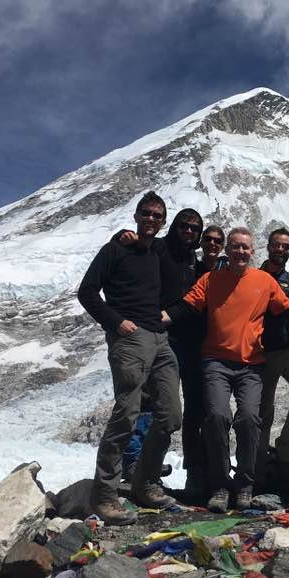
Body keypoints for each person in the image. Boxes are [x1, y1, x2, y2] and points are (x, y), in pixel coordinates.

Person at [164, 227, 289, 512]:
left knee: (248, 418)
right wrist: (162, 316)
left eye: (245, 247)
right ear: (228, 250)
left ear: (252, 251)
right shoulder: (212, 279)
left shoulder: (265, 281)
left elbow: (286, 311)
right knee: (217, 417)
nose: (240, 252)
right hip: (216, 362)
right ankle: (220, 484)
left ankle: (245, 483)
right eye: (235, 247)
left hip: (251, 365)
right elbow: (187, 306)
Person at [77, 191, 181, 525]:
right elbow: (87, 291)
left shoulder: (156, 251)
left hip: (160, 338)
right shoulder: (116, 249)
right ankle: (104, 495)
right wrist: (115, 321)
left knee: (169, 414)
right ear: (136, 216)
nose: (151, 219)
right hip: (130, 337)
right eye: (146, 213)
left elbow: (183, 250)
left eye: (157, 215)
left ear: (163, 221)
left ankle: (143, 483)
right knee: (126, 414)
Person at [113, 208, 208, 500]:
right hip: (159, 333)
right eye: (185, 226)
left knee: (188, 408)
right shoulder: (158, 247)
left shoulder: (196, 262)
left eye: (195, 229)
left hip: (190, 340)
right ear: (174, 226)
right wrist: (121, 237)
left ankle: (190, 472)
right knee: (147, 402)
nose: (189, 232)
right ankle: (134, 463)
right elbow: (132, 242)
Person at [255, 228, 289, 494]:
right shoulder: (253, 278)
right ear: (269, 246)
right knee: (263, 408)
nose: (281, 250)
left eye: (286, 247)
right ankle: (260, 458)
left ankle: (286, 450)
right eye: (277, 245)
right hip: (262, 351)